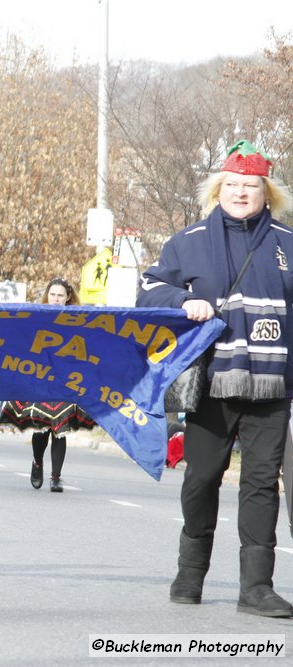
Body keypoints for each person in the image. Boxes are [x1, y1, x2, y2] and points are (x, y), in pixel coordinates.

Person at [137, 140, 293, 618]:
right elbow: (147, 289)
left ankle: (257, 588)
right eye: (233, 185)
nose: (241, 193)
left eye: (251, 186)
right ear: (218, 189)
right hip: (210, 384)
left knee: (262, 484)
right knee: (202, 478)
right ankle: (190, 572)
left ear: (267, 193)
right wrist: (181, 302)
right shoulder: (187, 241)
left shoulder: (288, 243)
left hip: (274, 386)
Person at [0, 278, 94, 492]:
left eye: (60, 295)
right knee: (42, 427)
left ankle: (56, 477)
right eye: (53, 295)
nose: (56, 299)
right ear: (47, 295)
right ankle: (37, 462)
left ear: (68, 297)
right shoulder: (36, 316)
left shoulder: (80, 319)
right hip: (39, 379)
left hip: (65, 380)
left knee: (60, 428)